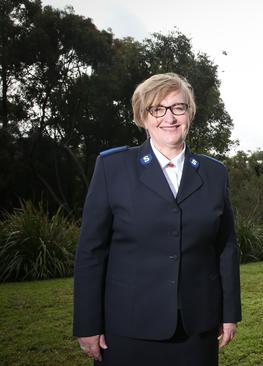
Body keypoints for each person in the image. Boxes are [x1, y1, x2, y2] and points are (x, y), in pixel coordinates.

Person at [73, 72, 241, 365]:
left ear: (189, 113)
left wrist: (229, 314)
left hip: (197, 329)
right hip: (127, 329)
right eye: (157, 109)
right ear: (142, 116)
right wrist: (87, 323)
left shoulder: (215, 173)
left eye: (178, 107)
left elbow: (226, 247)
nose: (169, 117)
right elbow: (91, 251)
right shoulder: (113, 168)